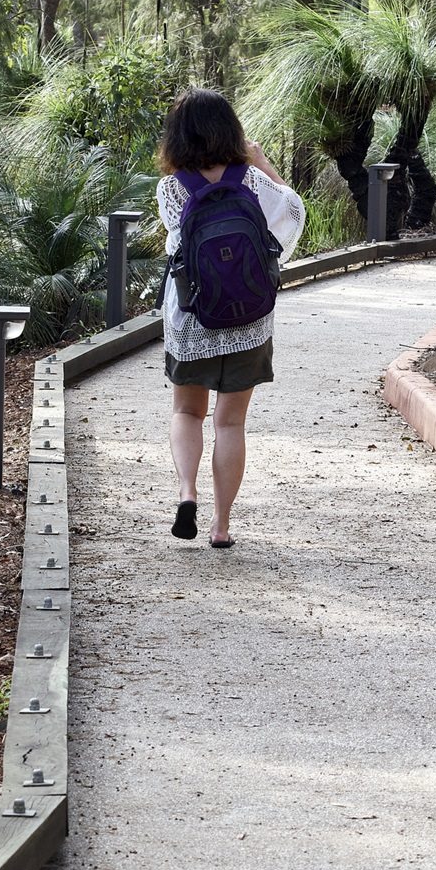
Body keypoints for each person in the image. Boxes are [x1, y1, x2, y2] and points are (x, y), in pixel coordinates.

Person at [154, 88, 305, 548]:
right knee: (230, 422)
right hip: (249, 319)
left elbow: (177, 246)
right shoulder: (254, 182)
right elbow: (293, 215)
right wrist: (261, 164)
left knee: (187, 410)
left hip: (193, 319)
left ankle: (186, 493)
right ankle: (221, 527)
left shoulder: (172, 187)